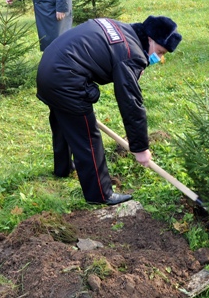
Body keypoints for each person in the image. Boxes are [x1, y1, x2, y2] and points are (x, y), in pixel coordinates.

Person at [36, 16, 182, 205]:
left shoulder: (123, 29)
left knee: (64, 119)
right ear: (150, 39)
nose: (159, 58)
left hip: (49, 68)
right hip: (65, 79)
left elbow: (113, 54)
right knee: (88, 136)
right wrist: (141, 148)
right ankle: (100, 194)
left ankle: (62, 168)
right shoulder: (132, 54)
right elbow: (131, 103)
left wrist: (134, 66)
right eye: (160, 52)